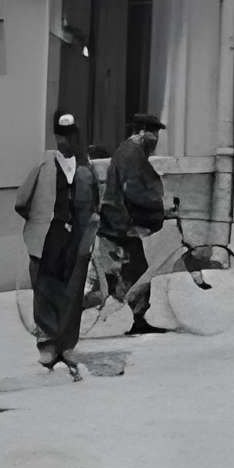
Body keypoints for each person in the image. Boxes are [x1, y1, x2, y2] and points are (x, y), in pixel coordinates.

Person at [15, 113, 100, 378]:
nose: (67, 141)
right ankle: (48, 343)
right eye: (62, 136)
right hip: (48, 238)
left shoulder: (87, 170)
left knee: (71, 294)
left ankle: (67, 344)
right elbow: (21, 202)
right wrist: (41, 225)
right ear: (56, 137)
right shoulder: (43, 167)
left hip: (77, 240)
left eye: (72, 135)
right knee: (45, 290)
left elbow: (96, 205)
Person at [103, 112, 170, 333]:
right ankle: (134, 316)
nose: (156, 139)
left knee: (133, 269)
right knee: (138, 271)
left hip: (119, 222)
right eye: (154, 133)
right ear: (142, 132)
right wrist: (159, 208)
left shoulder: (128, 151)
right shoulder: (131, 154)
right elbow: (134, 190)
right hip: (121, 224)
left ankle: (136, 316)